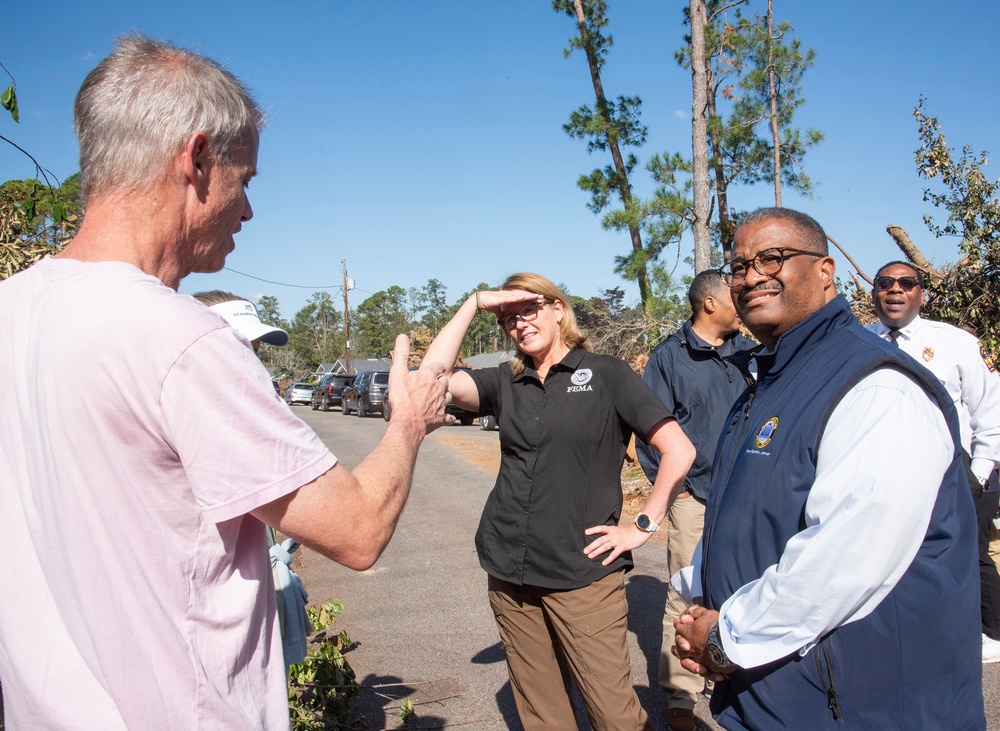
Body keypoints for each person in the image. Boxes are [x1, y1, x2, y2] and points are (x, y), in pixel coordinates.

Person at [0, 36, 449, 729]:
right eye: (247, 181)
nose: (247, 211)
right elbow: (357, 529)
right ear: (198, 158)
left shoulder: (12, 311)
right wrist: (410, 418)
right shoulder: (180, 341)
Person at [673, 208, 984, 729]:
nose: (751, 276)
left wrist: (727, 638)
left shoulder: (877, 387)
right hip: (780, 694)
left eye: (772, 258)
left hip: (862, 706)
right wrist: (701, 600)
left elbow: (843, 561)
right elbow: (744, 508)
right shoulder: (767, 379)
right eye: (739, 265)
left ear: (825, 271)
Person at [421, 273, 695, 731]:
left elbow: (679, 450)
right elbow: (430, 380)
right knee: (543, 714)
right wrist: (474, 303)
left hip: (581, 573)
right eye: (508, 319)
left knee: (615, 715)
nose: (519, 325)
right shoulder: (506, 382)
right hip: (510, 569)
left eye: (528, 310)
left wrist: (643, 524)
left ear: (557, 308)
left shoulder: (608, 374)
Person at [634, 270, 757, 731]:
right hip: (696, 496)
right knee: (686, 590)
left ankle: (738, 678)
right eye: (734, 294)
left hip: (747, 492)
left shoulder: (752, 351)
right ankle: (681, 697)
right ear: (708, 303)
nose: (743, 299)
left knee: (747, 584)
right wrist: (676, 491)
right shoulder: (669, 357)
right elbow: (648, 431)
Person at [866, 260, 1000, 664]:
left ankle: (991, 634)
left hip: (951, 468)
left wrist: (977, 475)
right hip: (883, 467)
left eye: (906, 283)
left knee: (967, 553)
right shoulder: (857, 341)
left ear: (921, 294)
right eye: (886, 283)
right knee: (893, 553)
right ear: (874, 293)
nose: (895, 290)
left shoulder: (955, 342)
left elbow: (988, 413)